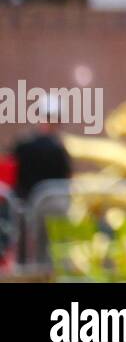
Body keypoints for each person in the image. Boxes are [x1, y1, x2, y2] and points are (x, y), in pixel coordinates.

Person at [14, 96, 72, 265]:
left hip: (28, 205)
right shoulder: (57, 149)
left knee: (39, 254)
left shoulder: (24, 145)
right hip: (50, 205)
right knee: (55, 250)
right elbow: (66, 176)